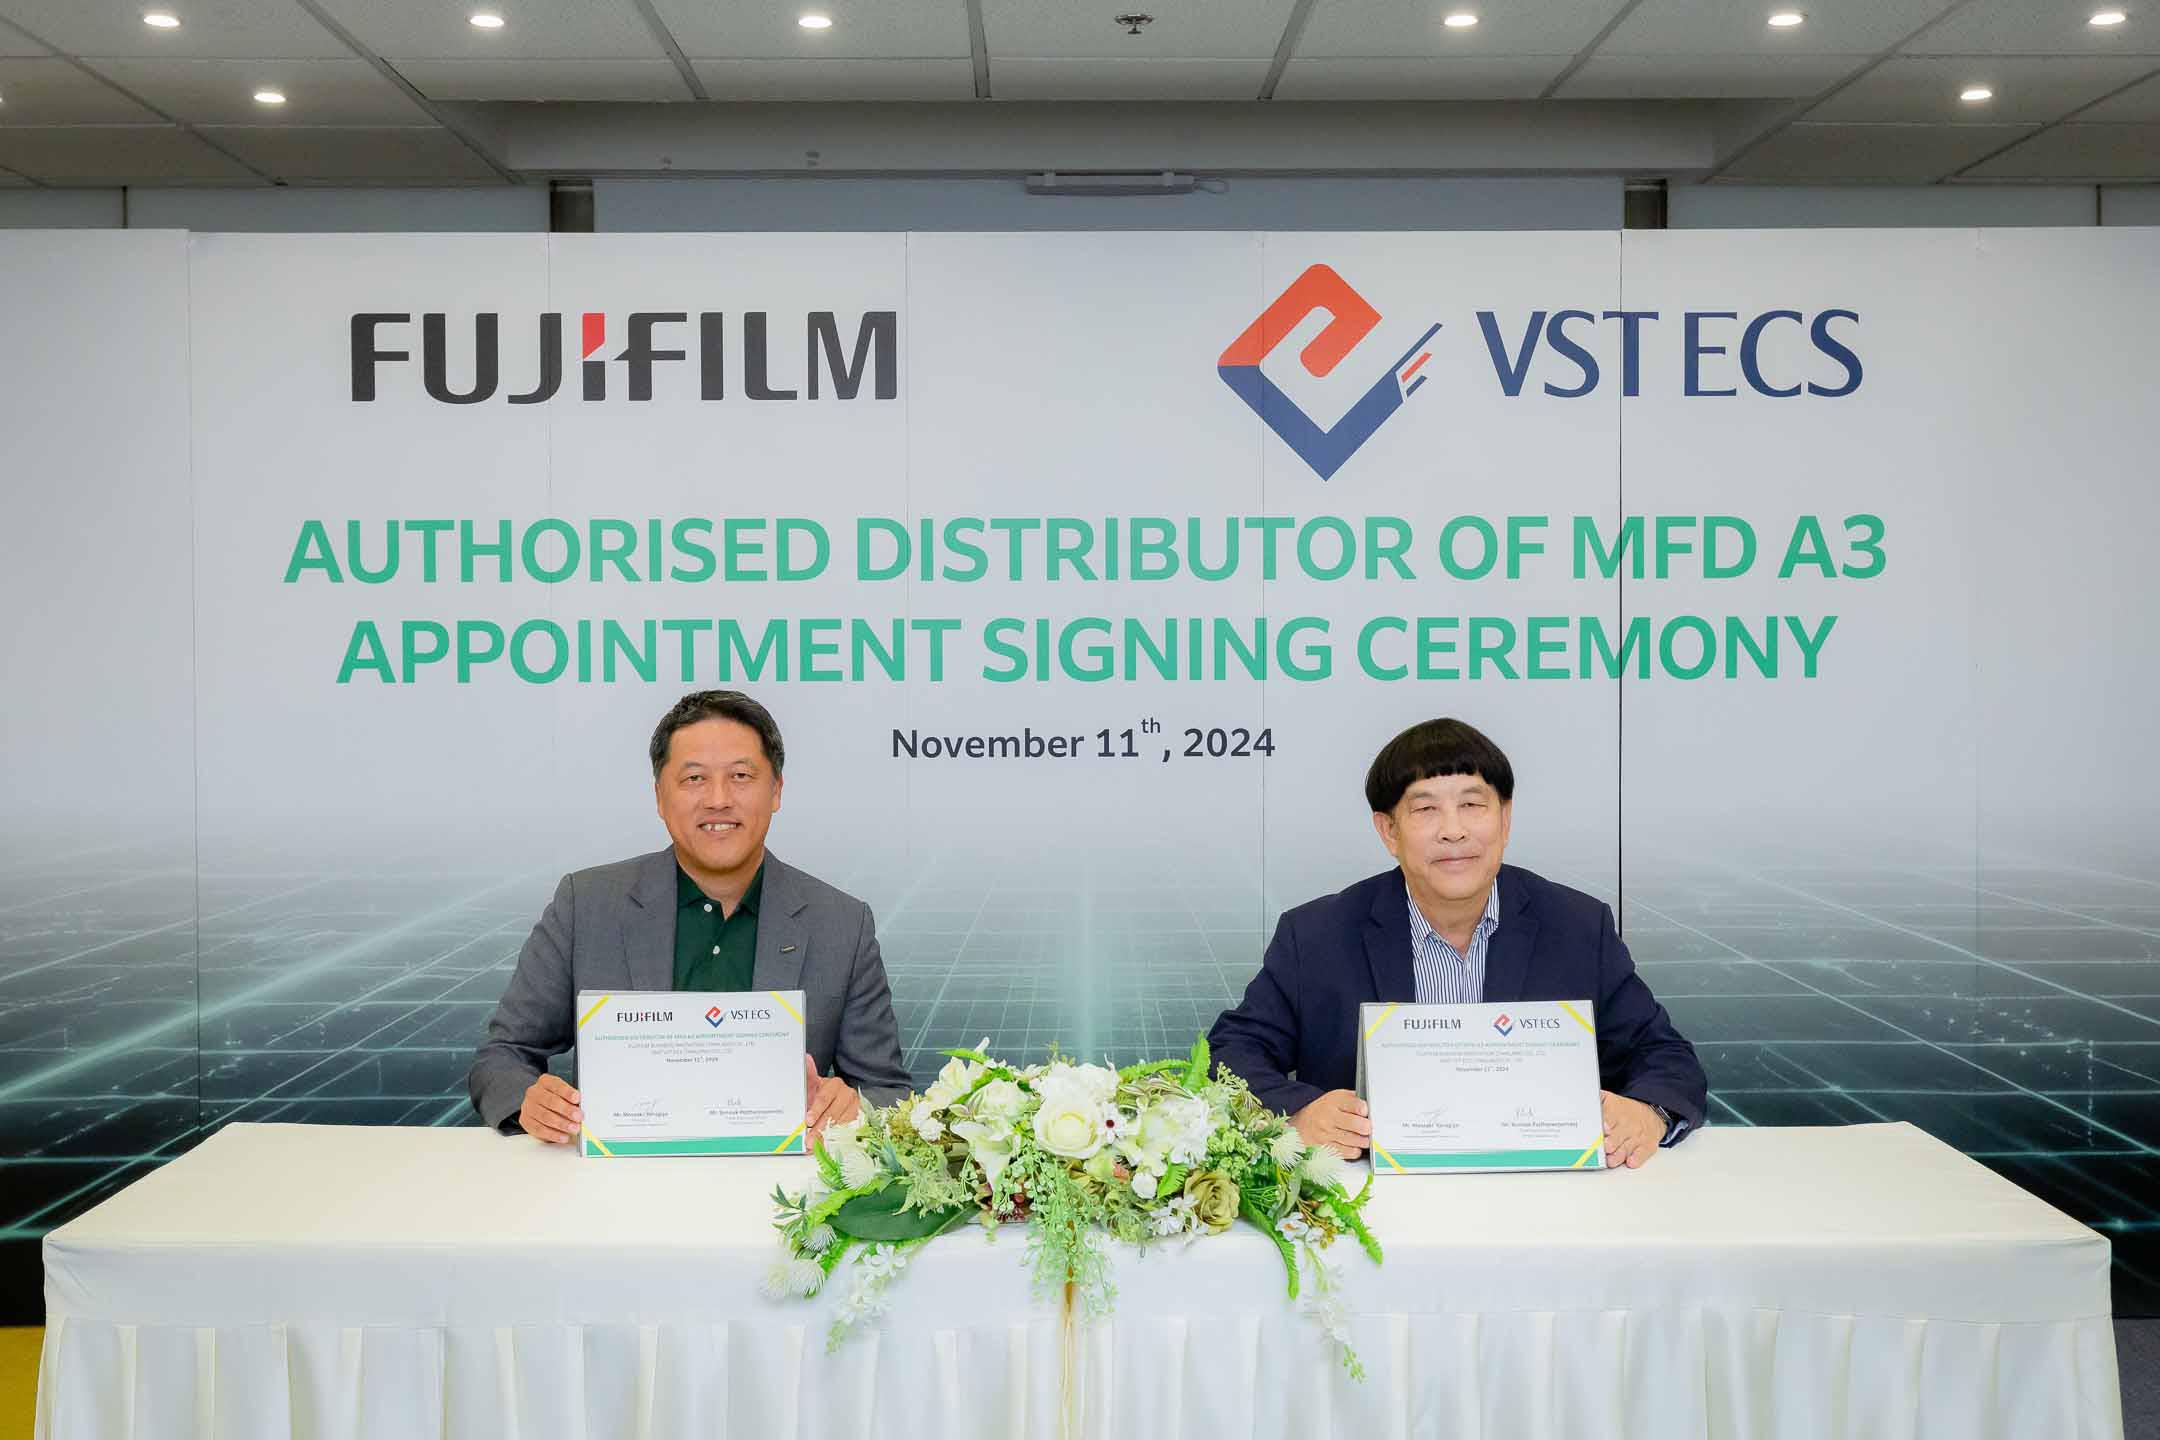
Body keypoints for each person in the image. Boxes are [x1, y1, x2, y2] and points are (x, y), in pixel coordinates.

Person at [1208, 717, 1707, 1169]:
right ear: (1388, 830)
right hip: (1373, 1203)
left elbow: (1664, 1055)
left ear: (1504, 819)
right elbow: (1231, 1052)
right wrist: (1298, 1112)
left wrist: (1648, 1112)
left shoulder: (1576, 926)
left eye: (1472, 805)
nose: (1453, 831)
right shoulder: (1318, 935)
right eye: (1426, 809)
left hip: (1544, 1199)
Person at [468, 689, 912, 1143]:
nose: (718, 799)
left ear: (776, 790)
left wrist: (857, 1107)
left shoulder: (842, 924)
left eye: (740, 776)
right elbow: (502, 1058)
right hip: (616, 1180)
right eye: (695, 778)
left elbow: (889, 1091)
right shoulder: (586, 905)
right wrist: (530, 1101)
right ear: (660, 797)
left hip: (780, 1181)